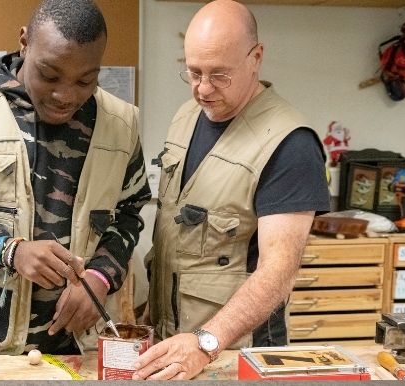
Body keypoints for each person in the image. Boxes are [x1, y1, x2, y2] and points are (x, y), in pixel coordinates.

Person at [0, 0, 151, 357]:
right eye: (50, 75)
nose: (65, 96)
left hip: (83, 343)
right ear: (24, 42)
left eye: (86, 79)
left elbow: (130, 213)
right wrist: (10, 251)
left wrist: (101, 277)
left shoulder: (121, 125)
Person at [133, 0, 330, 380]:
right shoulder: (186, 117)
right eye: (193, 73)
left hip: (235, 353)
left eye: (220, 75)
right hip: (174, 345)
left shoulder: (290, 144)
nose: (203, 89)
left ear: (256, 57)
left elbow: (279, 271)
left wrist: (207, 342)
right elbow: (177, 233)